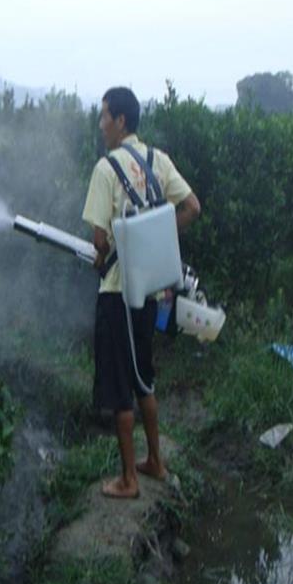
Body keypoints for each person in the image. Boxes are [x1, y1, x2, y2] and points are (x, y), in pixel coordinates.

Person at [82, 87, 200, 498]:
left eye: (103, 117)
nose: (100, 126)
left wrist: (103, 257)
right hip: (149, 290)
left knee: (120, 386)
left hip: (117, 294)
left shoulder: (105, 169)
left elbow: (99, 239)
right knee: (144, 375)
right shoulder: (158, 160)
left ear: (121, 121)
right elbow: (191, 207)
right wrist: (156, 240)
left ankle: (129, 480)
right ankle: (155, 462)